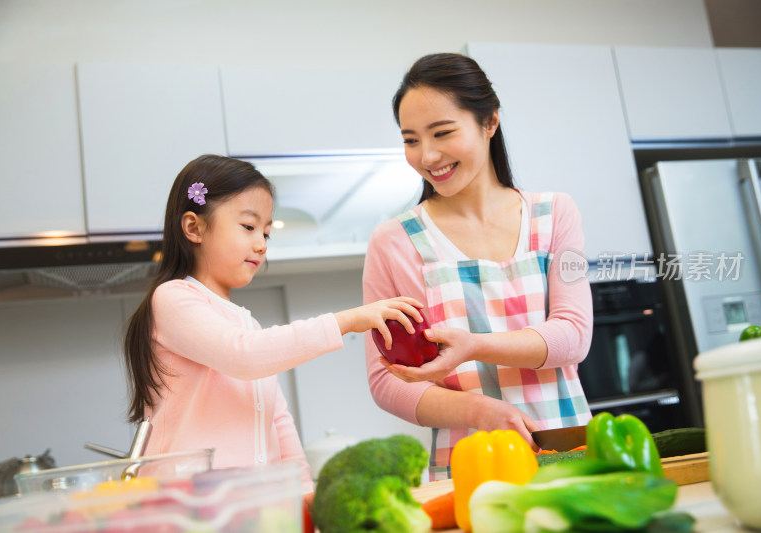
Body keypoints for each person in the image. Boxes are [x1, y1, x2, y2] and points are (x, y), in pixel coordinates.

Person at [123, 154, 423, 494]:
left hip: (247, 508)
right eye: (249, 227)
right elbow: (245, 356)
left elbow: (278, 421)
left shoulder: (246, 324)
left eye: (266, 232)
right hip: (186, 507)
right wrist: (347, 320)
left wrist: (305, 495)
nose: (261, 244)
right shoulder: (172, 298)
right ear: (194, 227)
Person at [362, 53, 593, 480]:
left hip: (569, 449)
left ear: (489, 122)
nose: (427, 155)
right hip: (470, 464)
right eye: (411, 139)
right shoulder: (394, 242)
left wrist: (474, 346)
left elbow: (575, 335)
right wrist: (479, 410)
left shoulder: (557, 213)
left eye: (442, 132)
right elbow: (387, 379)